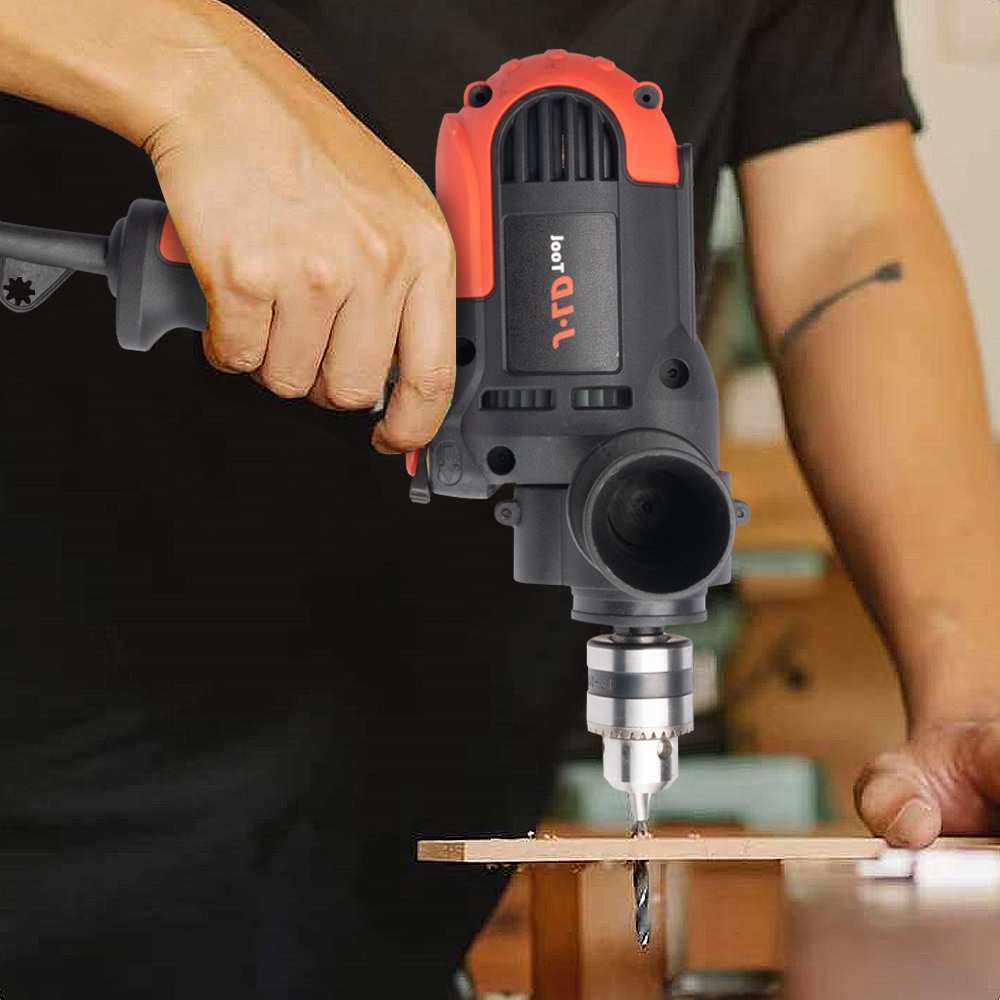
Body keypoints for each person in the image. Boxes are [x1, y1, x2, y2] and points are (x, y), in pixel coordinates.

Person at [0, 0, 997, 995]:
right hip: (56, 737)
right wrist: (202, 76)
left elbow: (846, 239)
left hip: (398, 812)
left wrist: (970, 697)